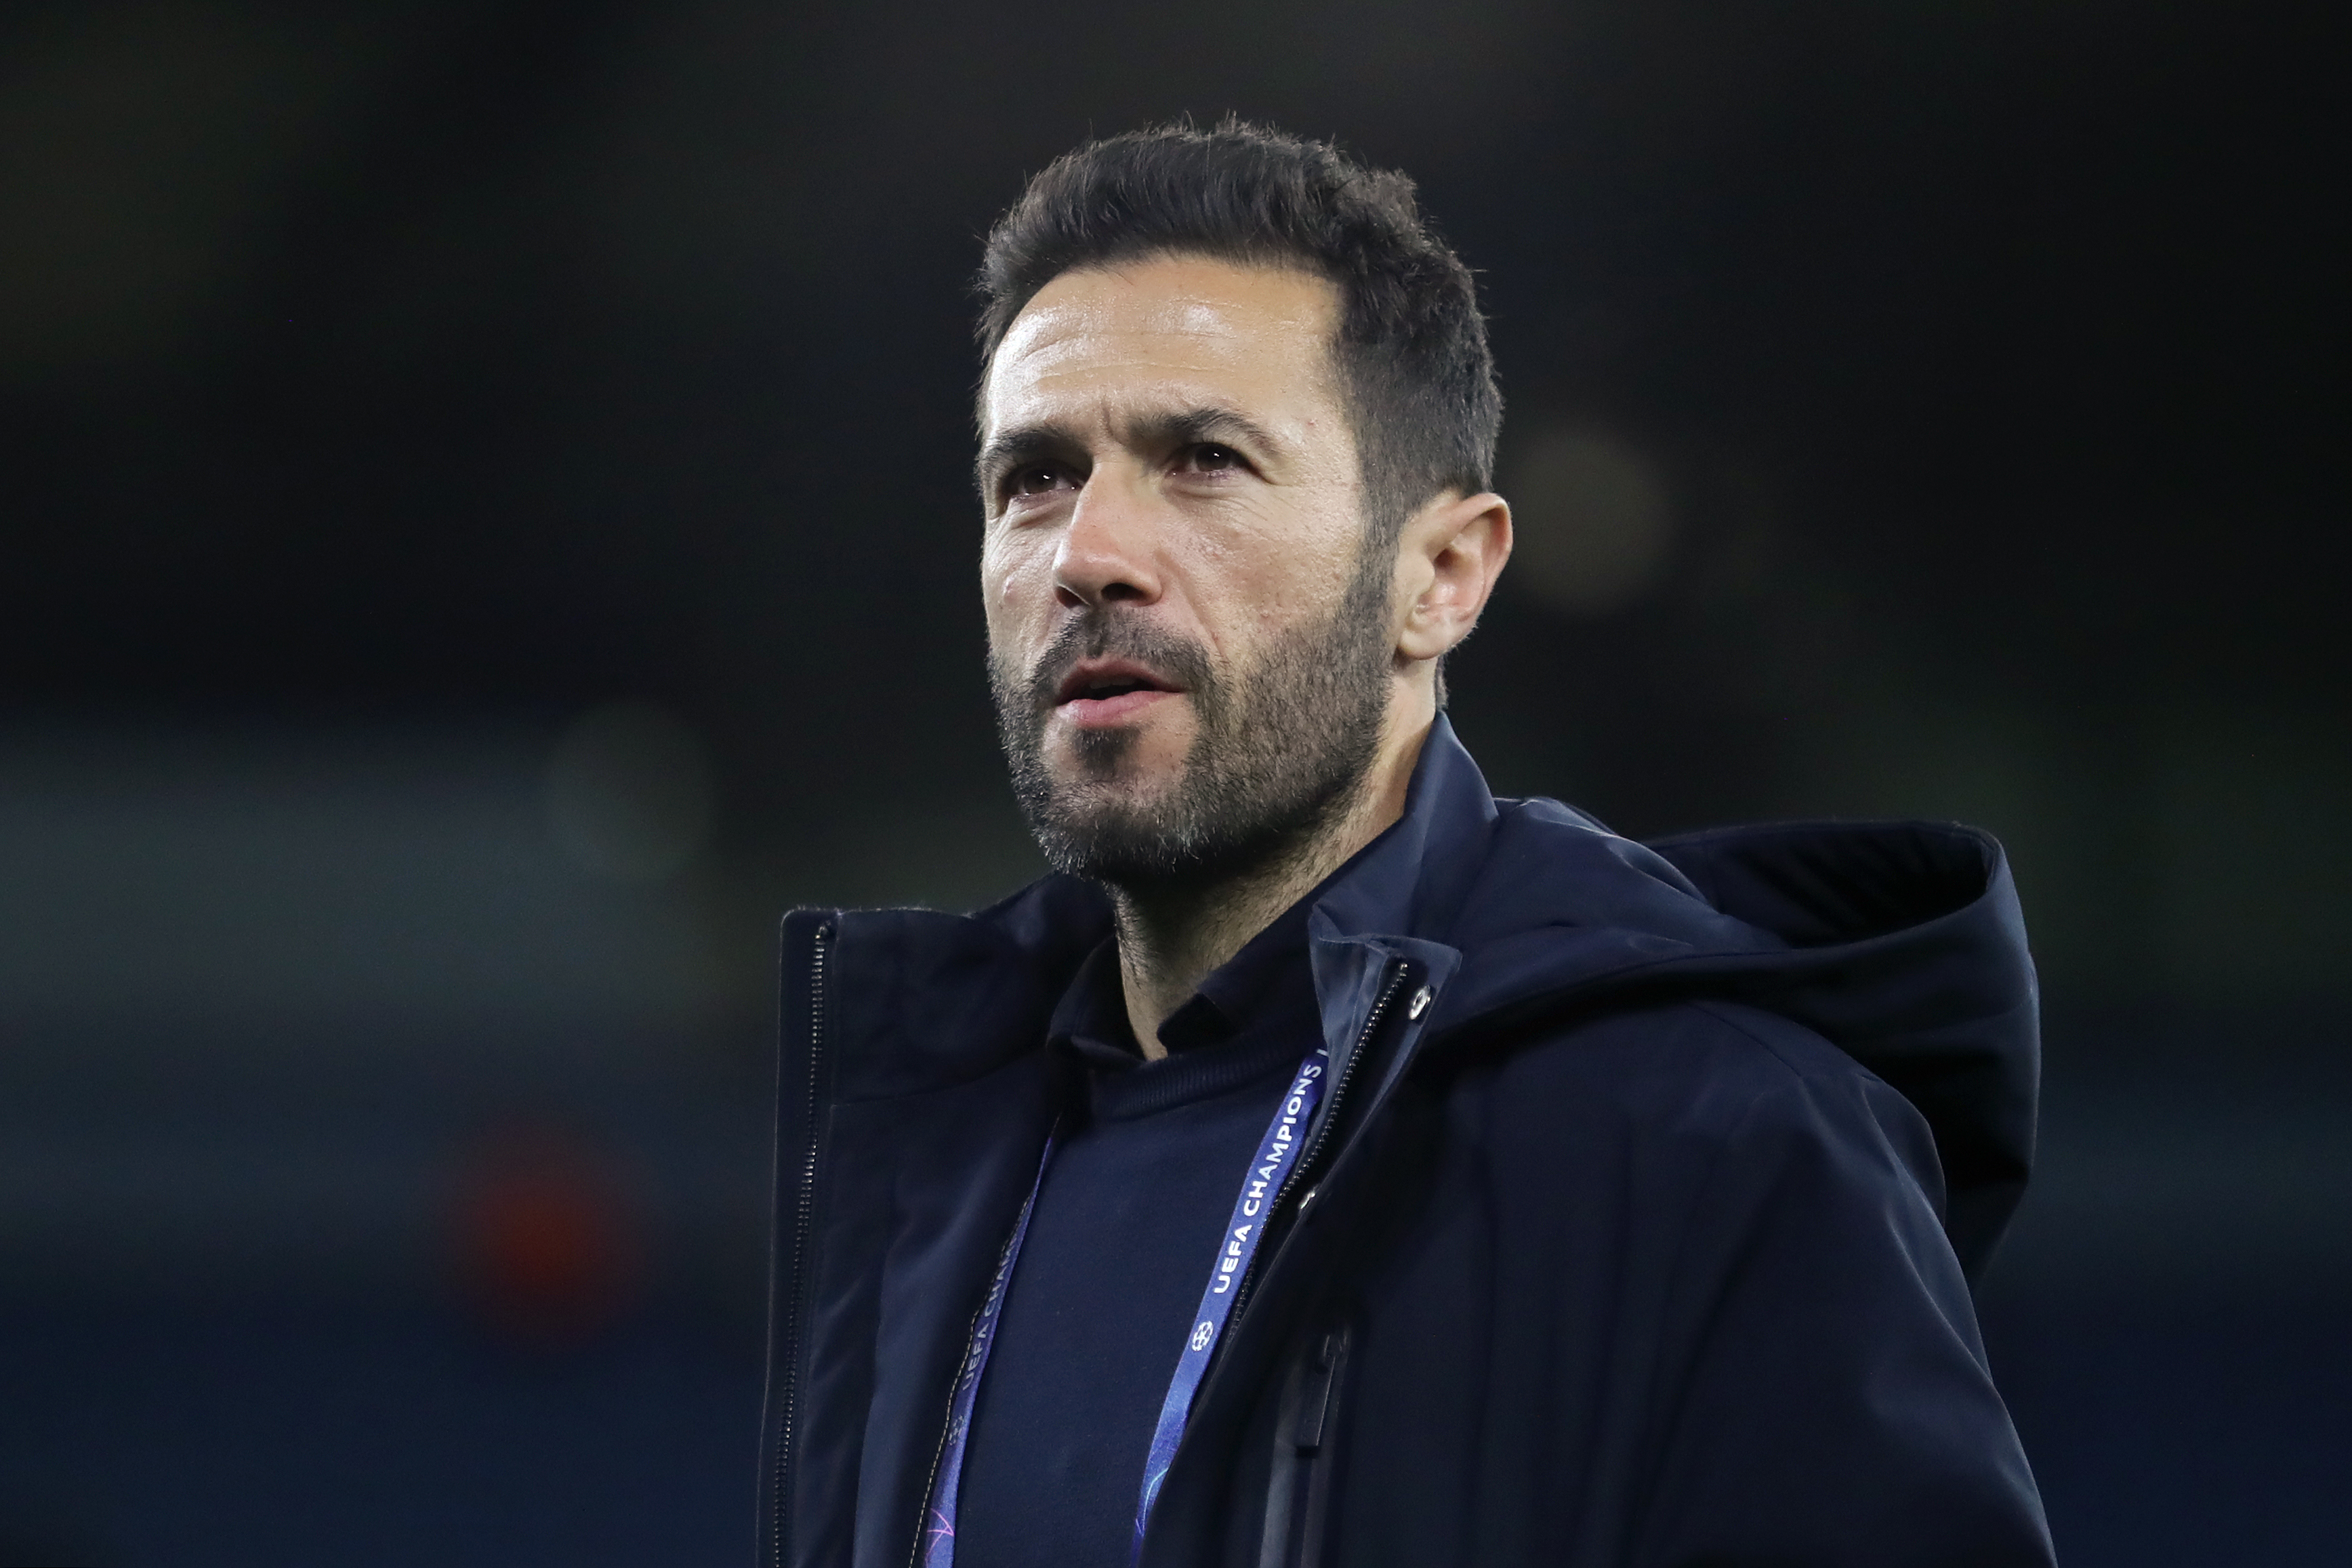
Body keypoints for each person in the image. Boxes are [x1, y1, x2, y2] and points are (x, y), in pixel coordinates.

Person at [757, 120, 2054, 1568]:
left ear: (1439, 574)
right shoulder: (930, 1146)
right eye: (1034, 479)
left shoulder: (1718, 1130)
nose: (1085, 552)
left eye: (1200, 458)